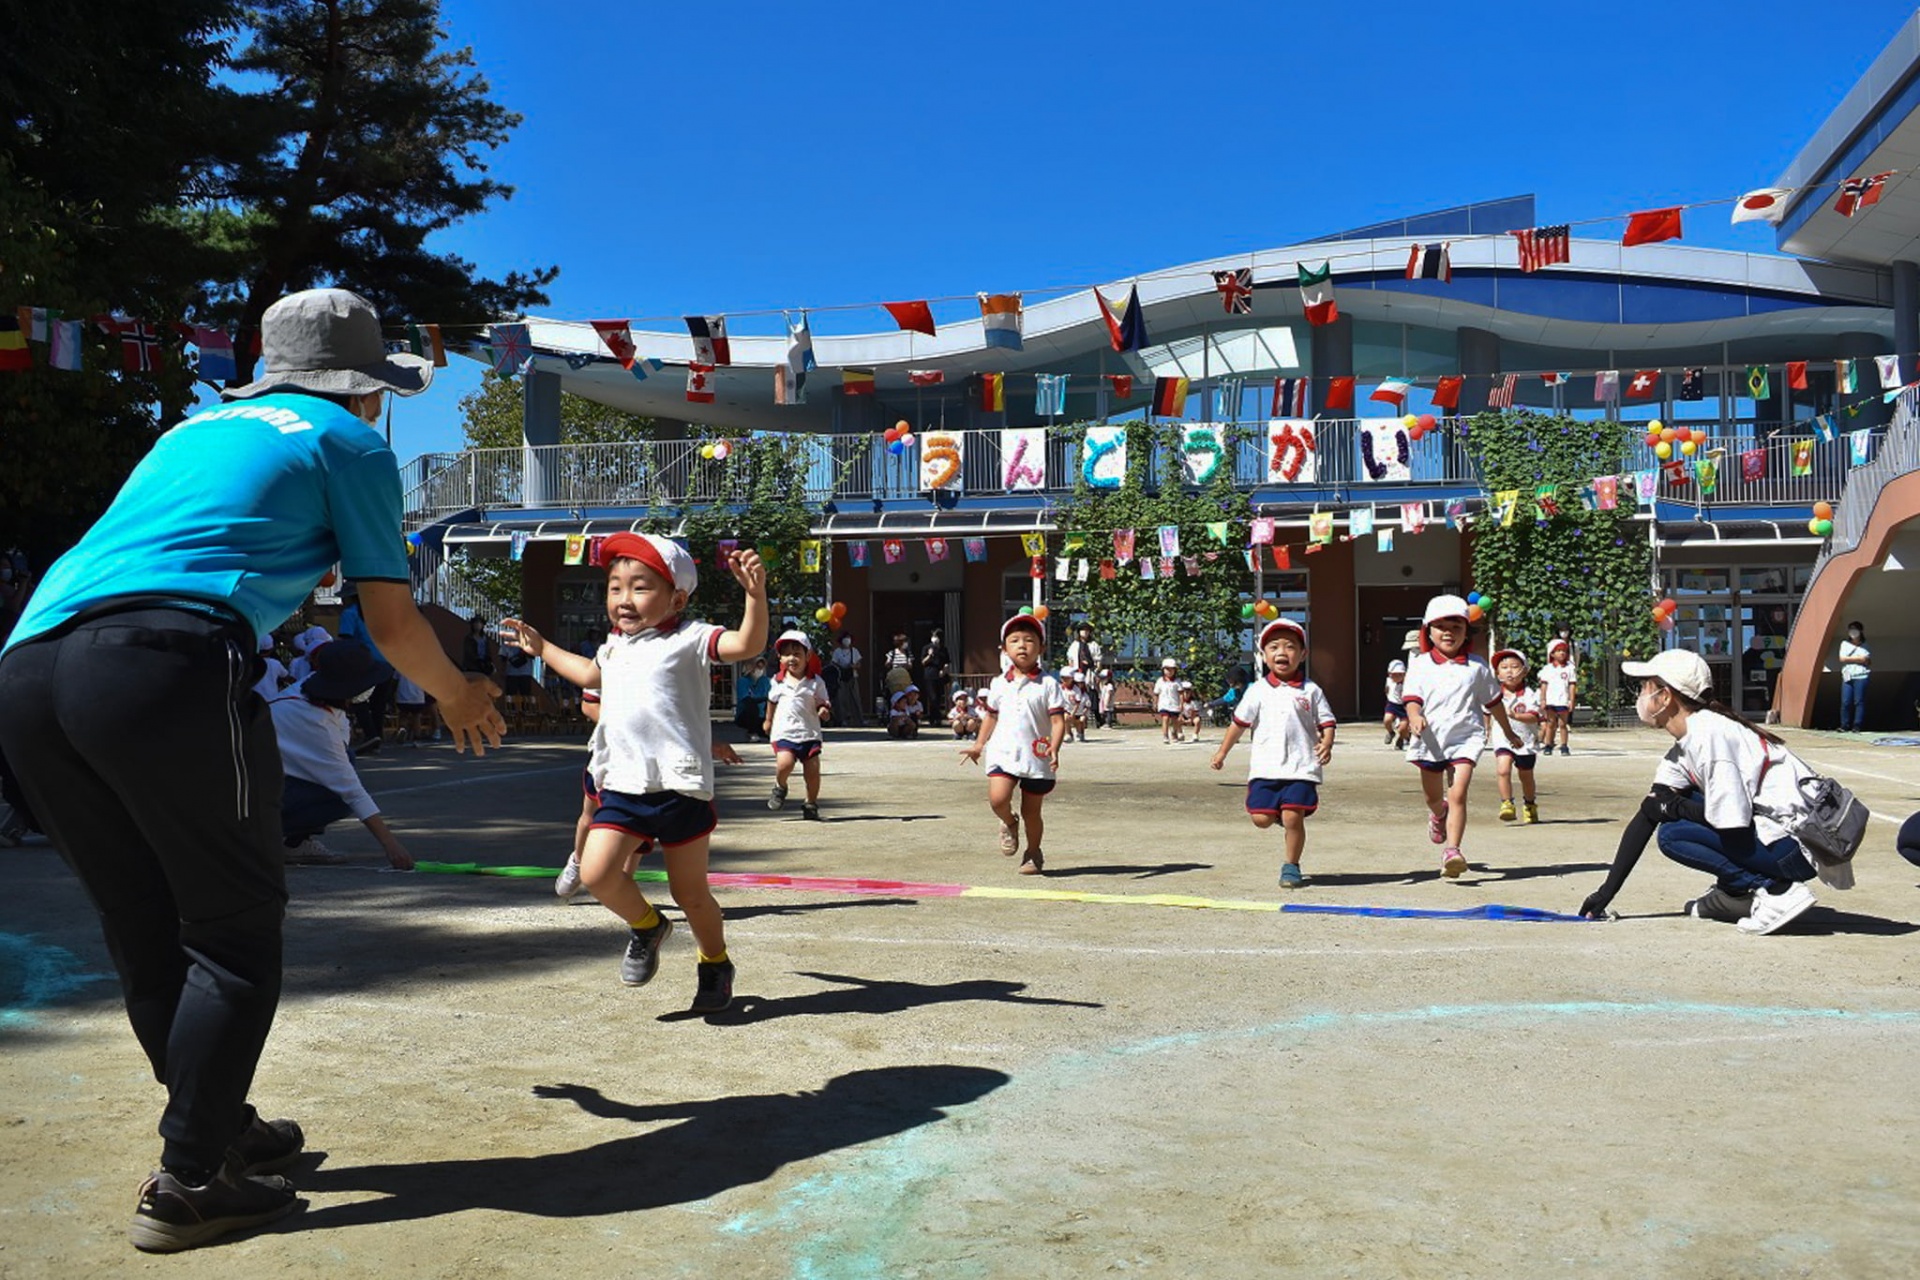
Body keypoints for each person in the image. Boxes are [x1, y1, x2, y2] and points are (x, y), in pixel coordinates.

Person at [0, 287, 504, 1252]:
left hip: (28, 667)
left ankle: (220, 1131)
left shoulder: (191, 432)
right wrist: (457, 693)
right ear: (365, 388)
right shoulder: (350, 442)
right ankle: (189, 1179)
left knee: (144, 922)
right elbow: (393, 623)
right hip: (162, 662)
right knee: (232, 930)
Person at [500, 533, 765, 1012]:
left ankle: (715, 961)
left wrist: (755, 596)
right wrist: (541, 648)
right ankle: (648, 926)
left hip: (680, 787)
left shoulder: (690, 639)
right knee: (598, 872)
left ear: (676, 598)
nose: (623, 599)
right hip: (624, 784)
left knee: (692, 894)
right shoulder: (615, 648)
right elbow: (587, 674)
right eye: (615, 587)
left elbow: (748, 643)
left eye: (639, 587)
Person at [1578, 649, 1833, 935]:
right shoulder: (1687, 743)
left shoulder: (1709, 737)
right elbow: (1649, 812)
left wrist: (1673, 808)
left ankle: (1777, 891)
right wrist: (1605, 893)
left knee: (1673, 835)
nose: (1640, 695)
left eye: (1645, 687)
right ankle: (1735, 894)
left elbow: (1732, 821)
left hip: (1799, 849)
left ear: (1665, 697)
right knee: (1673, 809)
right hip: (1784, 839)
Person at [1401, 594, 1523, 879]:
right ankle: (1437, 814)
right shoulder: (1419, 664)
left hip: (1466, 739)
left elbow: (1493, 703)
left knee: (1458, 794)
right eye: (1441, 626)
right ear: (1428, 631)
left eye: (1456, 626)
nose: (1448, 632)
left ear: (1466, 631)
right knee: (1434, 798)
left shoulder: (1477, 667)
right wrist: (1415, 716)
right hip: (1430, 740)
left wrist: (1508, 732)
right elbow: (1412, 699)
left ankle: (1452, 851)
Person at [1209, 618, 1336, 888]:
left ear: (1303, 654)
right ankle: (1280, 815)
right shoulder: (1257, 691)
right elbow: (1238, 724)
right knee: (1261, 819)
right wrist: (1222, 752)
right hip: (1266, 768)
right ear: (1264, 656)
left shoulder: (1311, 690)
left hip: (1301, 767)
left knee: (1293, 816)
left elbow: (1327, 722)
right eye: (1274, 646)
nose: (1282, 652)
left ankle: (1291, 865)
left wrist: (1327, 743)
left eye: (1290, 646)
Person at [269, 639, 415, 870]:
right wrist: (391, 845)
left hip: (269, 780)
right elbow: (352, 792)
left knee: (347, 760)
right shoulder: (314, 721)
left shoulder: (309, 689)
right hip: (259, 793)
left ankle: (294, 840)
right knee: (338, 798)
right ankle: (271, 837)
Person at [960, 614, 1066, 874]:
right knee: (998, 799)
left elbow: (1058, 722)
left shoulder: (1048, 684)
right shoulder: (998, 684)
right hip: (1004, 752)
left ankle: (1033, 853)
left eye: (1030, 640)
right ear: (1004, 649)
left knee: (1032, 811)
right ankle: (1008, 821)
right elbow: (991, 716)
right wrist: (978, 745)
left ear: (1041, 648)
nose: (1022, 645)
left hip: (1036, 756)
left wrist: (1055, 746)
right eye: (1015, 640)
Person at [764, 629, 832, 820]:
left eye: (797, 653)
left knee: (812, 771)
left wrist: (823, 711)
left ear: (807, 655)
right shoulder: (777, 681)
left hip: (809, 734)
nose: (791, 658)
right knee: (784, 764)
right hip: (784, 732)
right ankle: (780, 786)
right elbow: (771, 701)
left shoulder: (815, 682)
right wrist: (768, 720)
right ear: (779, 657)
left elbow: (823, 701)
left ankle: (810, 803)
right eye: (786, 654)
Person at [1491, 648, 1541, 825]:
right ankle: (1506, 803)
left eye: (1514, 666)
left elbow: (1535, 716)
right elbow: (1486, 713)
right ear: (1497, 673)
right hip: (1503, 739)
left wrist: (1516, 716)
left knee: (1525, 776)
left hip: (1525, 741)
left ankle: (1529, 803)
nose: (1509, 671)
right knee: (1503, 769)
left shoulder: (1530, 695)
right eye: (1504, 667)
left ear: (1524, 670)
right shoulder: (1494, 694)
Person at [1538, 637, 1577, 756]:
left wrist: (1571, 700)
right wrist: (1543, 699)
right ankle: (1548, 744)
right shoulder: (1547, 669)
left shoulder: (1570, 668)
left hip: (1563, 700)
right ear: (1552, 653)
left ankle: (1564, 746)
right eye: (1559, 651)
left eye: (1564, 651)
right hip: (1551, 700)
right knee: (1551, 723)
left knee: (1562, 724)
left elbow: (1571, 685)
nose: (1562, 653)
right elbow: (1544, 685)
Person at [1065, 624, 1105, 724]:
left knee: (1092, 694)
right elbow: (1070, 660)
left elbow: (1098, 660)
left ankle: (1098, 718)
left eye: (1087, 631)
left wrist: (1096, 671)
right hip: (1077, 673)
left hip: (1090, 673)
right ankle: (1076, 718)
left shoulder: (1093, 645)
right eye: (1083, 630)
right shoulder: (1074, 645)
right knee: (1078, 694)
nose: (1085, 632)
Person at [1838, 621, 1870, 732]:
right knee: (1846, 701)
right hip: (1848, 676)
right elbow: (1842, 658)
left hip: (1861, 676)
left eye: (1855, 629)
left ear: (1860, 631)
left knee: (1859, 701)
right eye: (1850, 629)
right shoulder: (1844, 644)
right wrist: (1858, 659)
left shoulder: (1865, 645)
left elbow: (1866, 660)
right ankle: (1844, 725)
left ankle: (1857, 725)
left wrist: (1850, 659)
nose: (1853, 632)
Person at [829, 633, 865, 727]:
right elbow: (833, 663)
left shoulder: (854, 651)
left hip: (852, 676)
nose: (847, 640)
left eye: (848, 638)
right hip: (841, 677)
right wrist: (841, 668)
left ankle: (859, 719)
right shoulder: (837, 651)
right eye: (845, 638)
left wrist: (853, 666)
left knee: (855, 698)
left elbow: (859, 664)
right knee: (841, 699)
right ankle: (843, 719)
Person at [733, 656, 771, 741]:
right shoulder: (743, 681)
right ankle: (752, 732)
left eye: (761, 667)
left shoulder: (766, 681)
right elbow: (745, 698)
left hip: (762, 716)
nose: (759, 670)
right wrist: (764, 699)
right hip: (746, 715)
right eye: (757, 666)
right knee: (751, 704)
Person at [919, 629, 951, 725]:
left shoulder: (943, 649)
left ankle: (937, 718)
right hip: (929, 675)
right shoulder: (926, 648)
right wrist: (929, 655)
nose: (936, 639)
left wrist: (944, 671)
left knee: (938, 696)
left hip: (940, 675)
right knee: (932, 697)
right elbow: (923, 662)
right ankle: (933, 718)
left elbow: (947, 662)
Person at [250, 633, 289, 703]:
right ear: (271, 649)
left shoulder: (249, 663)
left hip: (253, 700)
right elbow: (286, 676)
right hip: (272, 699)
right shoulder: (275, 663)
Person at [1154, 658, 1184, 743]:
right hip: (1163, 704)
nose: (1169, 671)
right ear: (1163, 670)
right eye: (1167, 669)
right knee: (1165, 718)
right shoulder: (1160, 681)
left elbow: (1181, 694)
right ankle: (1165, 735)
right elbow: (1156, 693)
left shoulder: (1177, 682)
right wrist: (1155, 703)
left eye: (1172, 669)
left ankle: (1174, 733)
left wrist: (1181, 704)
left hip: (1174, 704)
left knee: (1175, 720)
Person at [1382, 659, 1409, 748]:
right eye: (1394, 675)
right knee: (1387, 720)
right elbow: (1387, 690)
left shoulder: (1408, 683)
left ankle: (1401, 739)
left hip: (1404, 706)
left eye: (1399, 675)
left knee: (1403, 727)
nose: (1396, 677)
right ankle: (1390, 732)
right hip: (1393, 703)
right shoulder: (1389, 680)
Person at [1059, 668, 1090, 743]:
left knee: (1078, 722)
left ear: (1072, 678)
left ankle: (1079, 733)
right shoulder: (1060, 688)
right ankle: (1067, 733)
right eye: (1063, 678)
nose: (1065, 680)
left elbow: (1077, 703)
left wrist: (1073, 713)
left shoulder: (1076, 690)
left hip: (1076, 711)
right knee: (1066, 718)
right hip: (1066, 710)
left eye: (1067, 678)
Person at [882, 631, 915, 698]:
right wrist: (889, 663)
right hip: (895, 678)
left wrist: (906, 665)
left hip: (904, 678)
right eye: (905, 642)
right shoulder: (892, 653)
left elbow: (910, 665)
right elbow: (887, 664)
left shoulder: (908, 653)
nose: (906, 644)